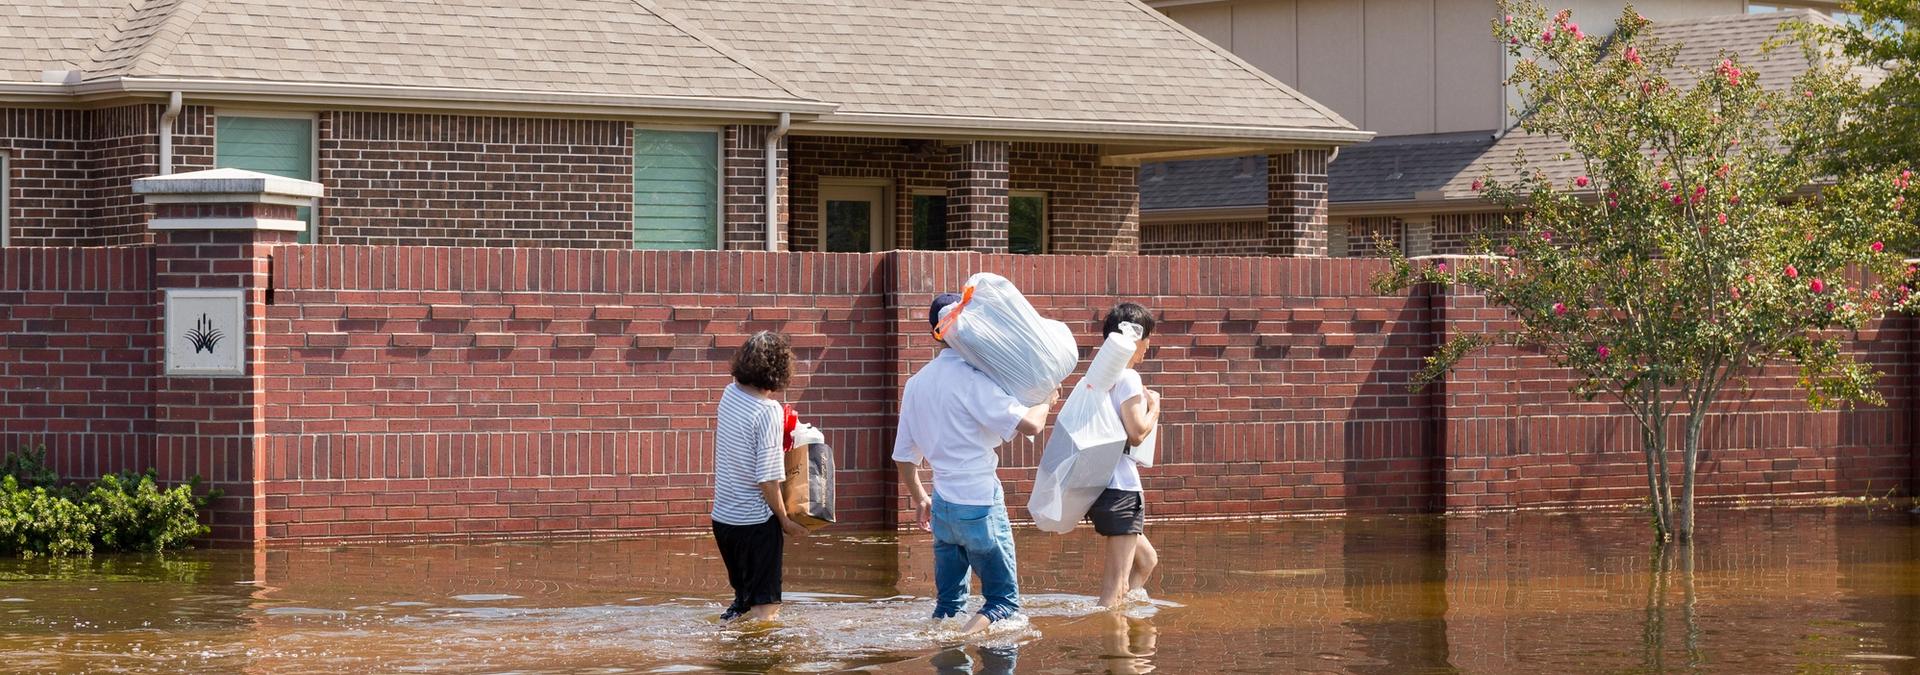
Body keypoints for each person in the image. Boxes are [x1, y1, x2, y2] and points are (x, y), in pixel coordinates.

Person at [894, 292, 1059, 636]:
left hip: (942, 505)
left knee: (949, 604)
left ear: (934, 333)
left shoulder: (915, 384)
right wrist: (1047, 397)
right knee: (1003, 604)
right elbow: (1031, 424)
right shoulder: (973, 379)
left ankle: (945, 648)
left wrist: (921, 498)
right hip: (980, 502)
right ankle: (959, 640)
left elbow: (904, 458)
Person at [710, 331, 810, 623]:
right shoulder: (768, 411)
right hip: (754, 524)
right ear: (780, 370)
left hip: (724, 520)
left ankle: (725, 650)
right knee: (765, 611)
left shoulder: (730, 393)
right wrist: (785, 521)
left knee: (743, 603)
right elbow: (767, 478)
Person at [1090, 302, 1161, 609]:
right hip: (1121, 488)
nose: (1149, 347)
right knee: (1114, 588)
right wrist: (1155, 406)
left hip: (1102, 485)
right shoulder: (1128, 377)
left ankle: (1127, 631)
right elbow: (1136, 433)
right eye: (1148, 339)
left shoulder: (1100, 374)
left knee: (1147, 559)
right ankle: (1115, 652)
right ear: (1137, 339)